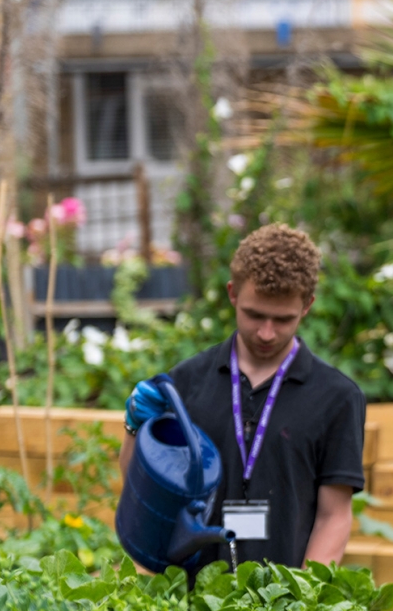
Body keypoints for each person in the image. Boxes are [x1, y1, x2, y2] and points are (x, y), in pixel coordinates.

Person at [118, 223, 367, 572]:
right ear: (233, 294)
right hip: (190, 604)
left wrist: (303, 604)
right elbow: (143, 484)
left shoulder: (337, 398)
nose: (267, 333)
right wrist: (134, 426)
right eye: (254, 315)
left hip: (283, 605)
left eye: (283, 319)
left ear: (307, 305)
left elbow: (334, 516)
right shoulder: (188, 382)